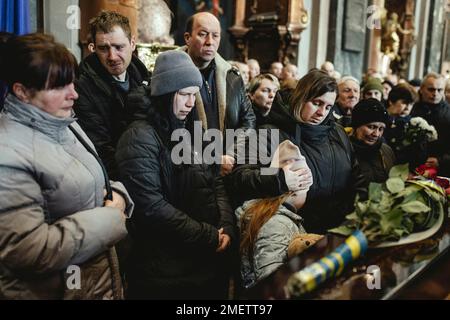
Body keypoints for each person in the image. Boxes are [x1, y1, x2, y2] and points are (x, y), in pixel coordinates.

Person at [0, 33, 133, 299]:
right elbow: (29, 251)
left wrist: (118, 194)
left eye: (71, 81)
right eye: (58, 86)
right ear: (22, 92)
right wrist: (110, 219)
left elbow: (92, 176)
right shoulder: (8, 153)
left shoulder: (64, 122)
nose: (74, 93)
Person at [115, 50, 236, 299]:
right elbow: (151, 207)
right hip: (164, 271)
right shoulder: (139, 137)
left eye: (194, 94)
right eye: (184, 95)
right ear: (165, 93)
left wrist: (225, 225)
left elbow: (216, 181)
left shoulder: (192, 130)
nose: (191, 103)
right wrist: (207, 235)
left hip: (204, 260)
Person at [74, 10, 151, 180]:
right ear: (93, 48)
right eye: (103, 48)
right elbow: (100, 148)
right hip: (115, 179)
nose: (112, 56)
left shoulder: (145, 77)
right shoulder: (82, 88)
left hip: (148, 169)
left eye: (119, 47)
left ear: (132, 43)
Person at [235, 140, 321, 288]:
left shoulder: (275, 216)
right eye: (306, 191)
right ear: (294, 193)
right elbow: (272, 284)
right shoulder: (276, 224)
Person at [183, 12, 256, 176]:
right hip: (190, 172)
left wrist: (231, 155)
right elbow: (172, 129)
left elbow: (248, 120)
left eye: (215, 36)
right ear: (188, 37)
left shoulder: (232, 76)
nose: (210, 42)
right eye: (203, 34)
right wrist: (214, 161)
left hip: (230, 168)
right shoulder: (173, 76)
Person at [411, 73, 450, 175]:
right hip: (412, 168)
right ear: (422, 89)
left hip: (441, 172)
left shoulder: (448, 114)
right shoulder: (412, 109)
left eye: (439, 90)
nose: (435, 93)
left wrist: (441, 161)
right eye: (431, 89)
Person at [350, 99, 395, 183]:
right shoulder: (343, 152)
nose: (376, 134)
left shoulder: (386, 151)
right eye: (371, 127)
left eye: (381, 129)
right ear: (356, 125)